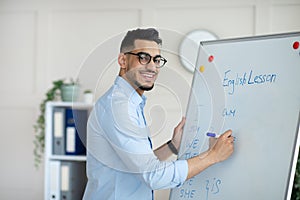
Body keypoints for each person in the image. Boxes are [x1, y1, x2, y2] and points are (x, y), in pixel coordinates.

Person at [83, 28, 234, 200]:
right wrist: (212, 156)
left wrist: (172, 146)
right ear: (123, 60)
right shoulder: (119, 107)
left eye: (157, 60)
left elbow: (138, 165)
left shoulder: (129, 103)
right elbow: (153, 176)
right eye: (143, 58)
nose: (152, 66)